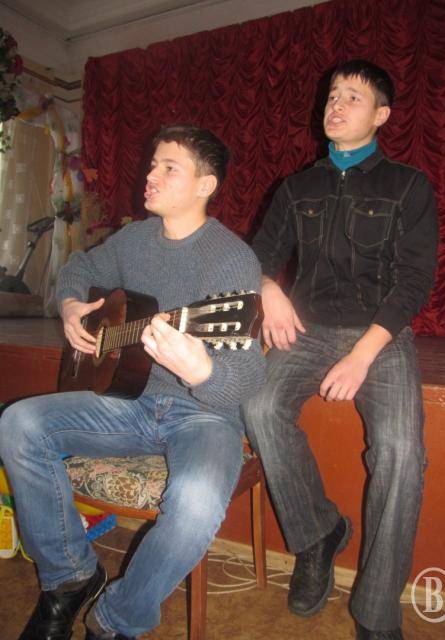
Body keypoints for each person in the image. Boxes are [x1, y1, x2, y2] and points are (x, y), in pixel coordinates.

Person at [0, 124, 265, 640]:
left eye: (169, 167)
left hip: (205, 417)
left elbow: (249, 377)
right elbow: (79, 266)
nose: (151, 174)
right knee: (18, 423)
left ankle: (115, 619)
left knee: (196, 500)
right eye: (152, 164)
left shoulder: (231, 259)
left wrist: (204, 372)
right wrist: (72, 306)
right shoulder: (136, 239)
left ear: (205, 185)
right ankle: (70, 577)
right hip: (131, 402)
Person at [243, 60, 438, 640]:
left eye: (353, 97)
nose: (336, 104)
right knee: (258, 406)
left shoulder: (408, 185)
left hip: (382, 333)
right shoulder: (296, 187)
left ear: (382, 115)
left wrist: (362, 354)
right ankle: (318, 535)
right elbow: (257, 256)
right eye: (332, 95)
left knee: (401, 452)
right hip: (308, 329)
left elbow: (415, 281)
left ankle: (376, 613)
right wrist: (269, 288)